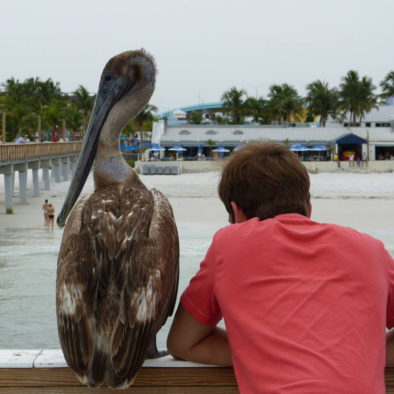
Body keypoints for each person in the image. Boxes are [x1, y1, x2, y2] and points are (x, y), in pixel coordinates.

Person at [167, 142, 394, 393]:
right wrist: (352, 356)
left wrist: (263, 354)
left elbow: (183, 342)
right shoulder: (370, 249)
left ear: (235, 212)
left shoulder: (229, 244)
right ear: (308, 208)